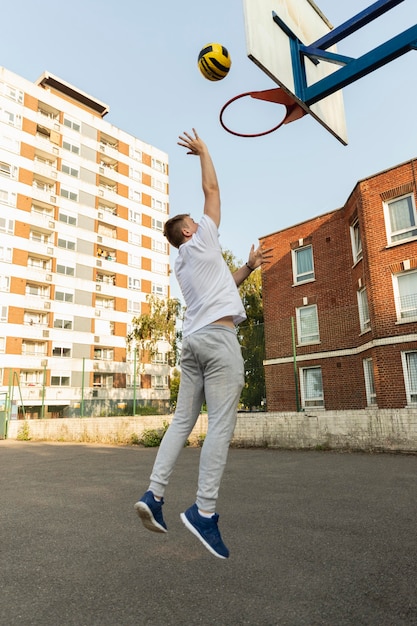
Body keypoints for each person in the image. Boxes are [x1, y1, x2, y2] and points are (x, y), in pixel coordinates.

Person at [135, 128, 270, 559]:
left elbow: (225, 288)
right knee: (221, 425)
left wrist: (248, 267)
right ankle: (204, 512)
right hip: (217, 340)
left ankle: (154, 496)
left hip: (192, 342)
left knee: (182, 421)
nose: (201, 219)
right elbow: (212, 188)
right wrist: (204, 151)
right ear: (190, 230)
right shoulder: (204, 238)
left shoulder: (184, 265)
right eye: (195, 220)